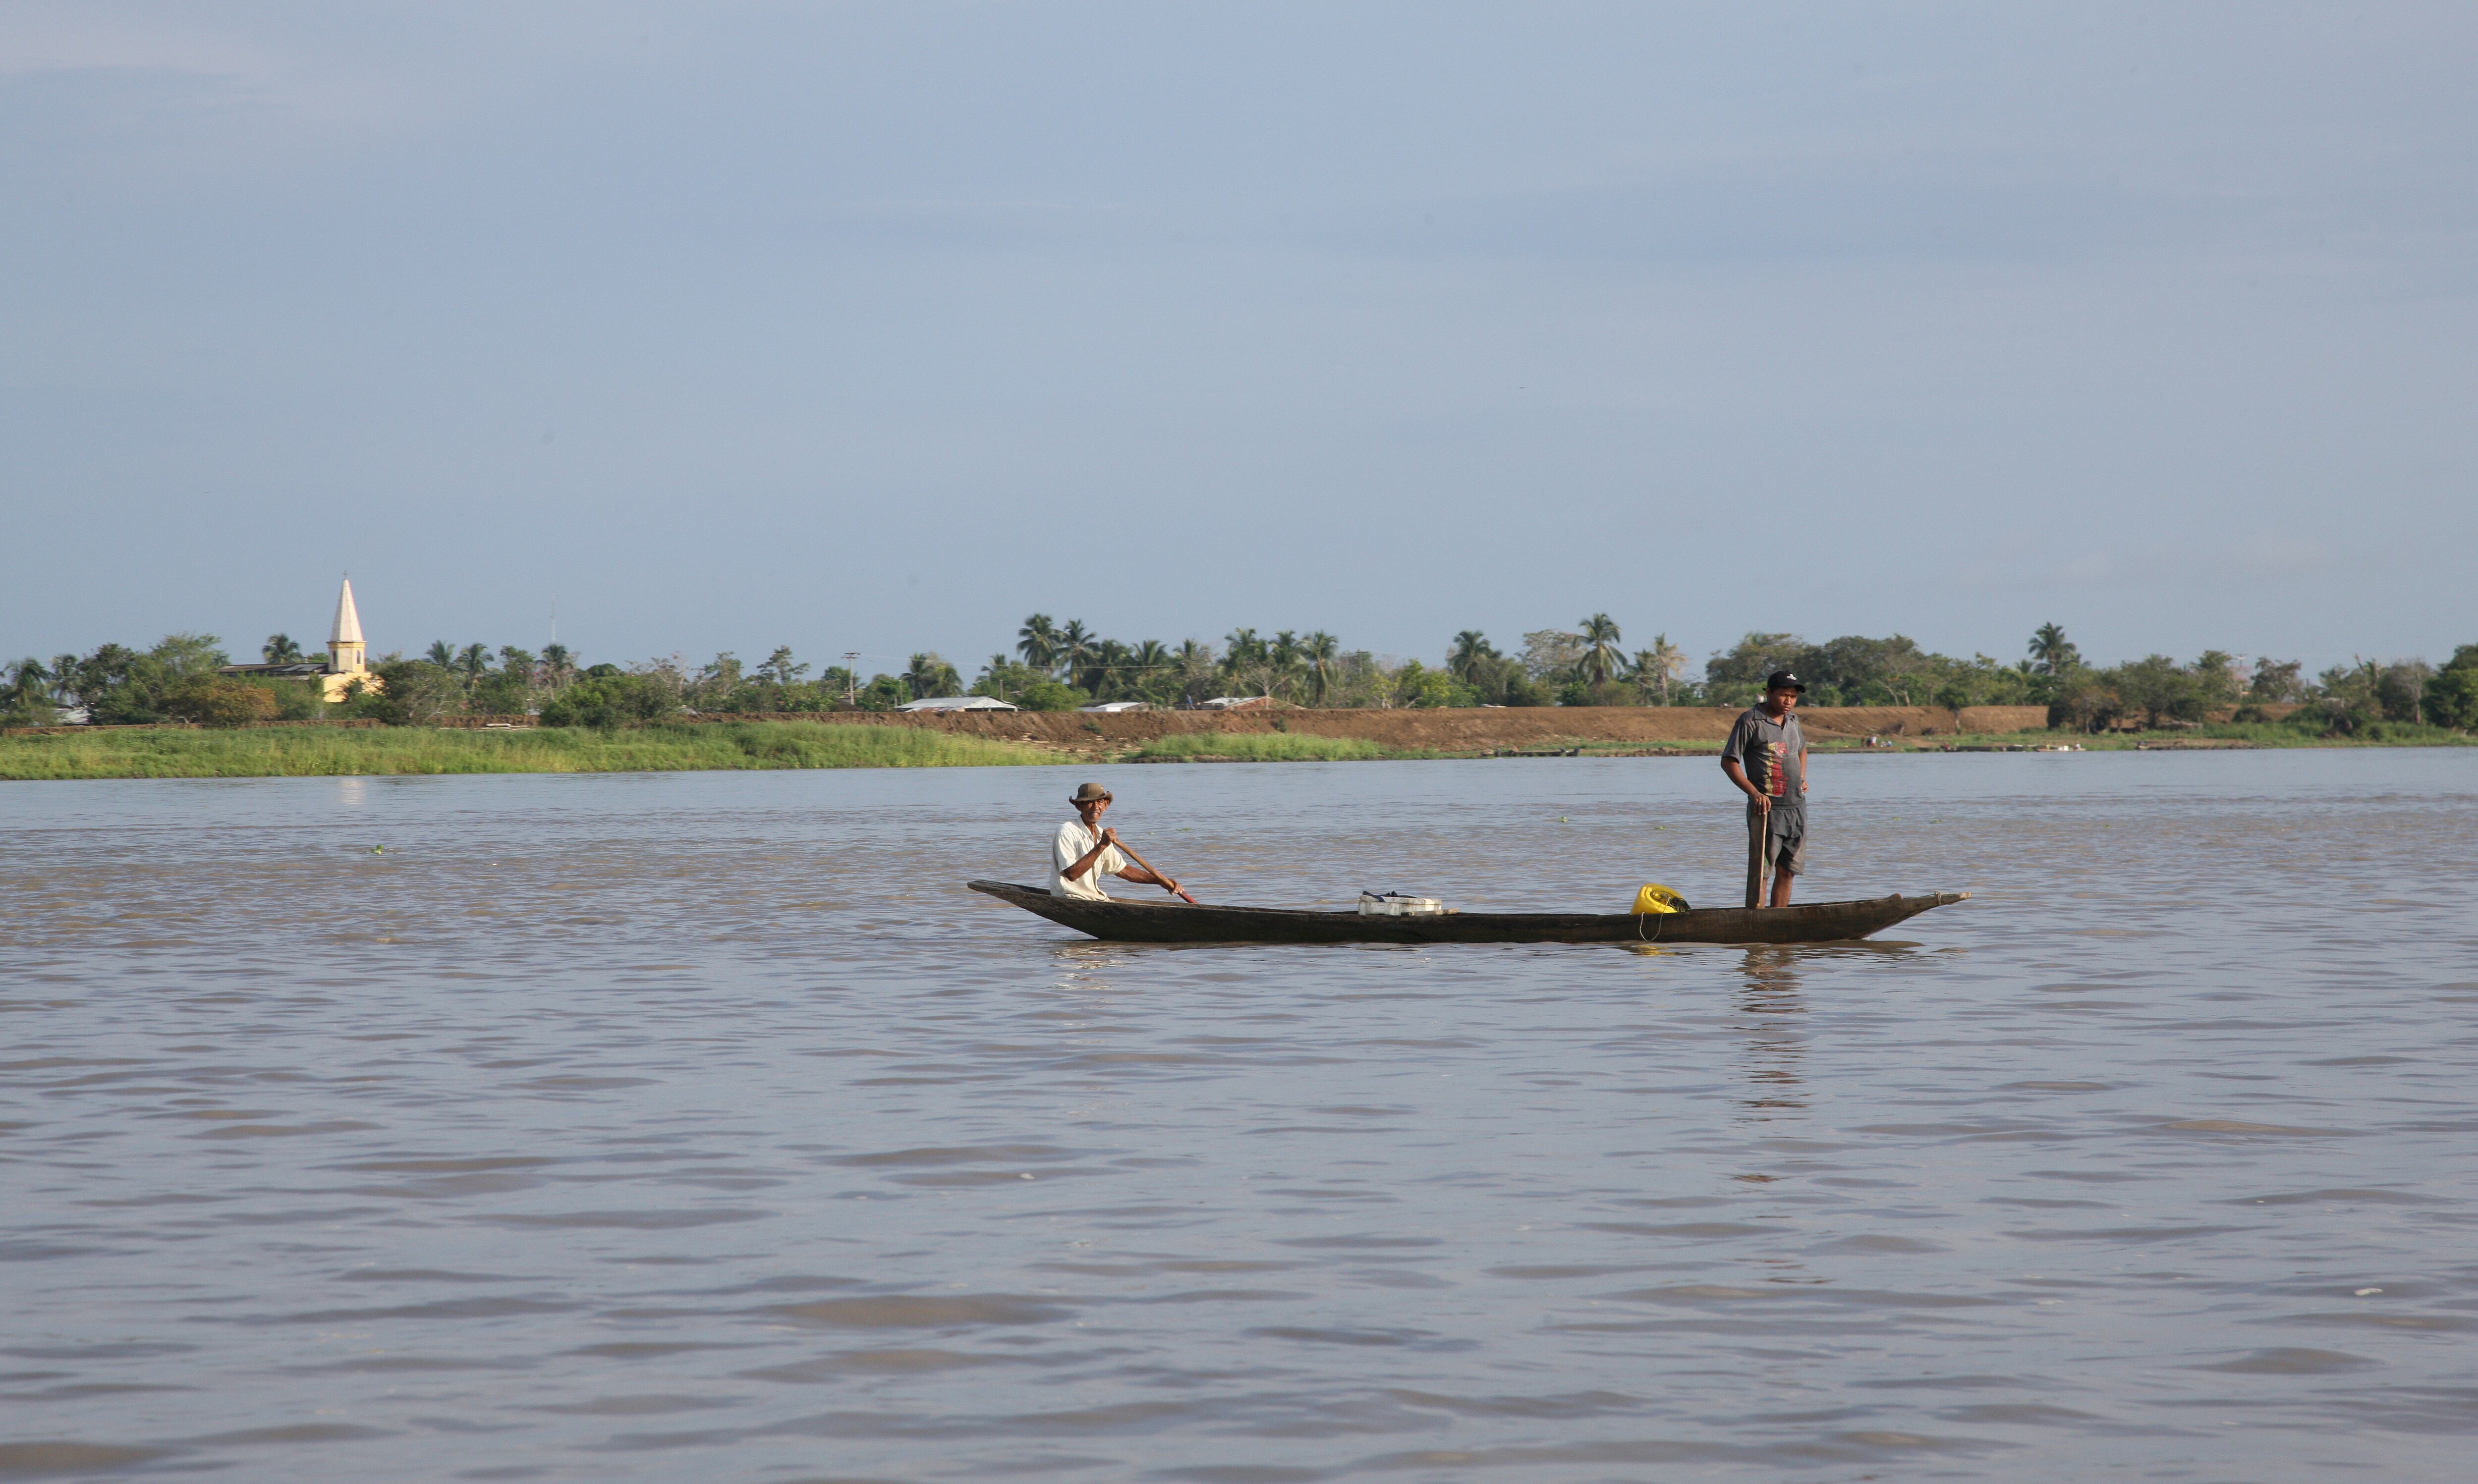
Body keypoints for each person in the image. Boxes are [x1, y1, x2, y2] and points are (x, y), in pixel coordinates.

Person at [1720, 671, 1809, 907]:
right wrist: (1754, 793)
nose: (1788, 701)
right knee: (1762, 872)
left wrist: (1801, 776)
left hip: (1796, 808)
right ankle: (1757, 921)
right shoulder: (1751, 721)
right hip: (1767, 810)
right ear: (1769, 693)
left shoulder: (1793, 721)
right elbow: (1729, 761)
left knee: (1788, 870)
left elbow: (1802, 749)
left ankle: (1778, 922)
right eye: (1783, 695)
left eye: (1793, 696)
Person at [1052, 782, 1195, 902]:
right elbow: (1071, 874)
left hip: (1094, 898)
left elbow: (1123, 870)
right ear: (1079, 806)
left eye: (1100, 802)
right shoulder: (1067, 831)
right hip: (1072, 898)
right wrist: (1102, 846)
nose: (1095, 807)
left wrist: (1161, 881)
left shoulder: (1102, 834)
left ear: (1106, 805)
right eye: (1089, 802)